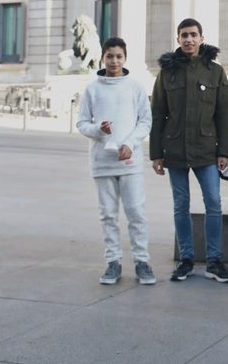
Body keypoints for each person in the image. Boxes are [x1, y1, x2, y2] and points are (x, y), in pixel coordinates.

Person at [150, 19, 228, 284]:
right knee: (180, 204)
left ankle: (214, 260)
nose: (189, 39)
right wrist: (156, 153)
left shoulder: (215, 71)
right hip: (174, 148)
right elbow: (157, 114)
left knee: (213, 203)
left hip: (206, 149)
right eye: (184, 35)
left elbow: (225, 114)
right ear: (178, 39)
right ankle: (186, 260)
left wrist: (224, 151)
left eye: (193, 35)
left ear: (201, 38)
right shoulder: (166, 73)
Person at [76, 37, 155, 285]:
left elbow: (145, 121)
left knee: (136, 213)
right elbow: (82, 123)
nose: (114, 61)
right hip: (102, 161)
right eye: (110, 56)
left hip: (129, 161)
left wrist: (130, 144)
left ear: (125, 58)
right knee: (108, 215)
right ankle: (113, 262)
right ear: (103, 58)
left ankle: (142, 261)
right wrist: (99, 129)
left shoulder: (135, 87)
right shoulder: (92, 89)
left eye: (118, 56)